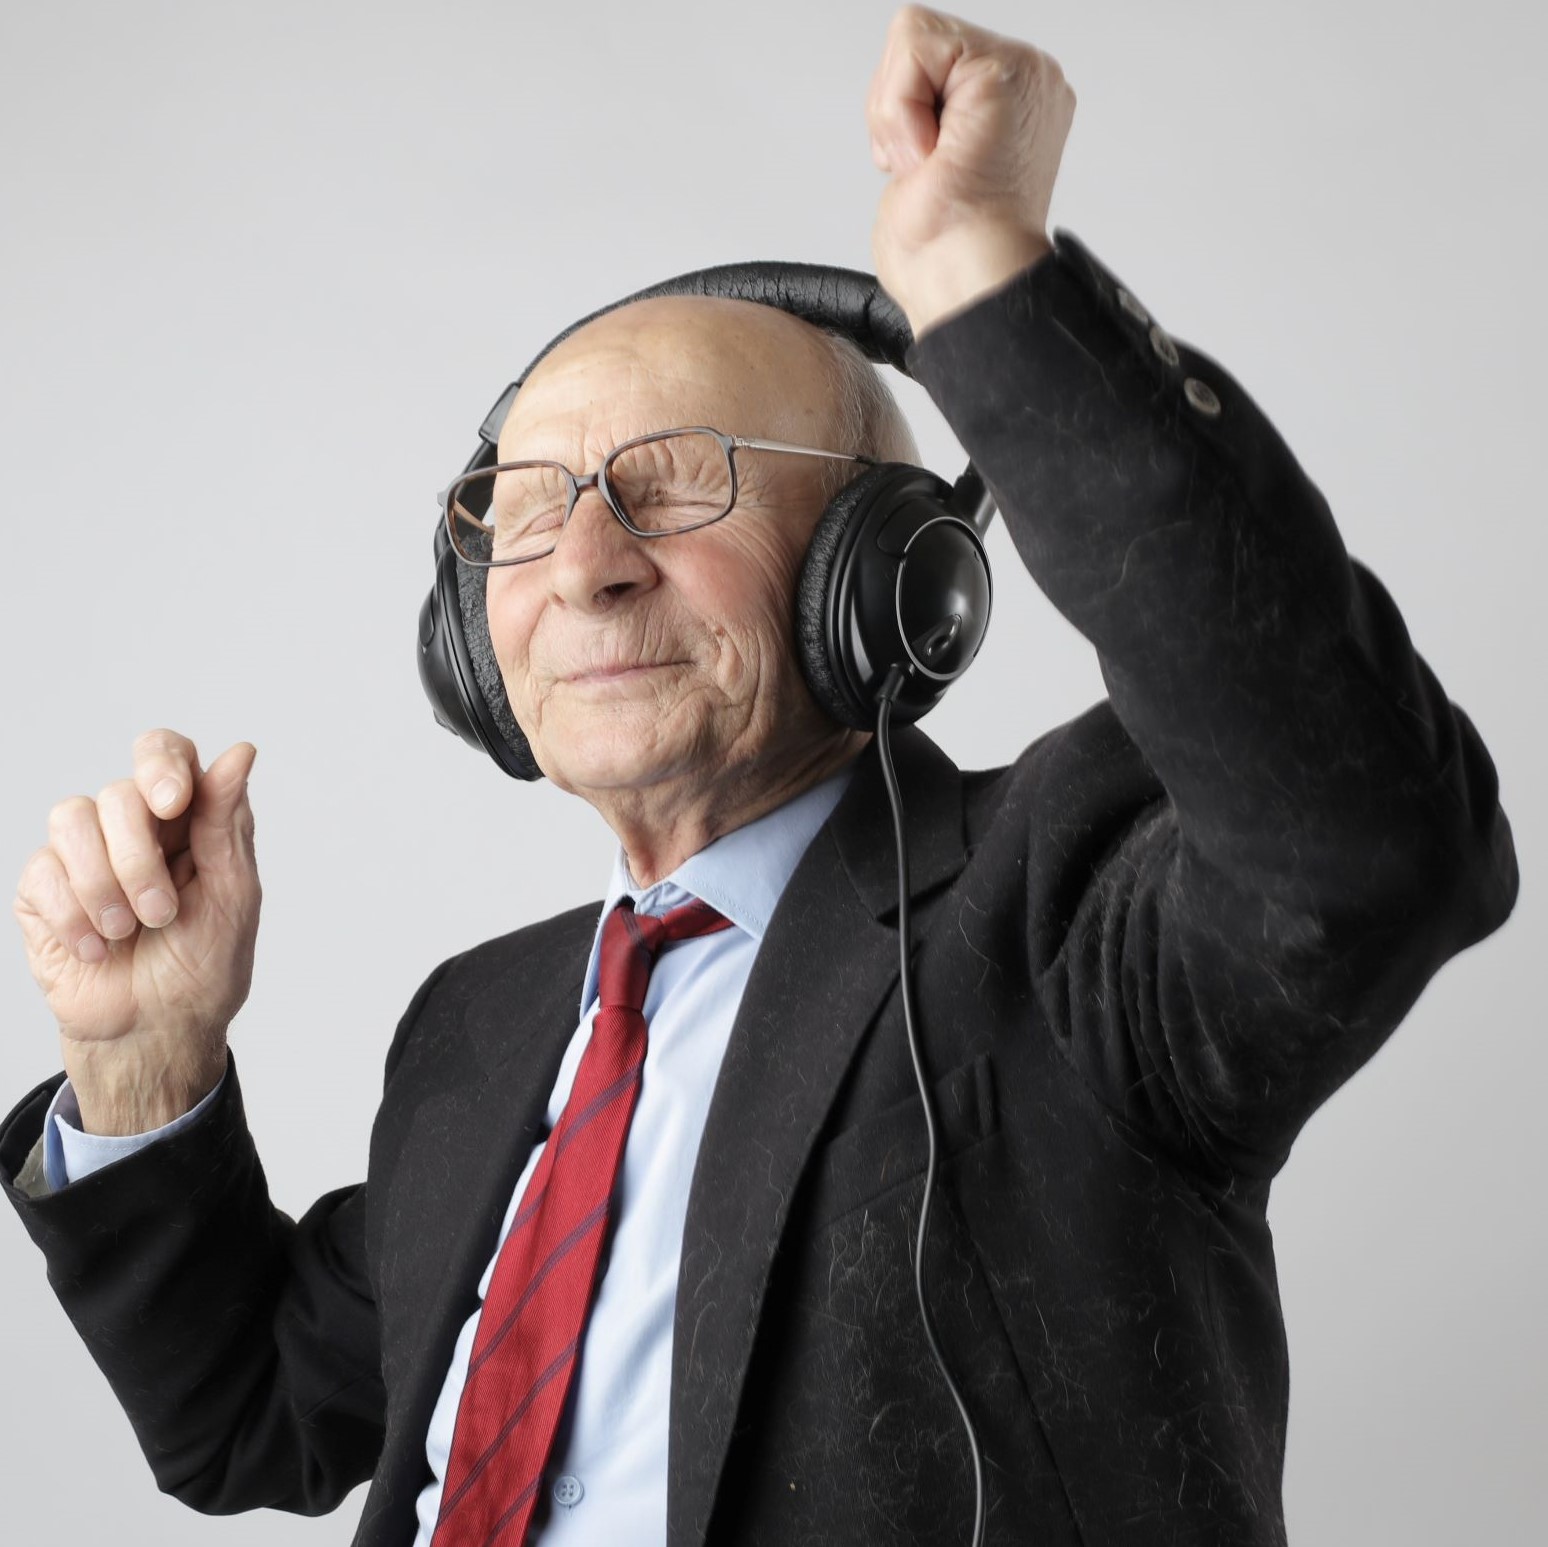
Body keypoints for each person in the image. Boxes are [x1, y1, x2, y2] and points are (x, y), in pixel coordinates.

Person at [0, 7, 1518, 1546]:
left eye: (676, 485)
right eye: (525, 508)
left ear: (887, 583)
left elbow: (1369, 841)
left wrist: (992, 280)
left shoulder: (1062, 904)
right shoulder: (479, 1026)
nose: (584, 565)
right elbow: (250, 1414)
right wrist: (144, 1067)